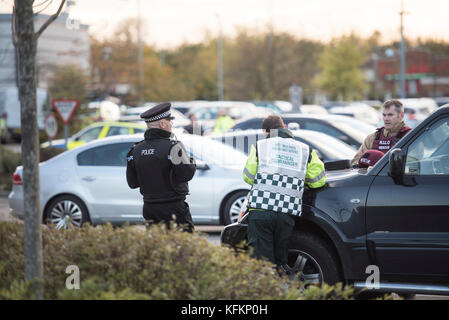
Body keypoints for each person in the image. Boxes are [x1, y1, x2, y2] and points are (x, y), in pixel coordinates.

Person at [242, 115, 326, 272]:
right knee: (281, 261)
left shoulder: (261, 146)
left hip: (261, 210)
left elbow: (248, 176)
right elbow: (318, 181)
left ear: (266, 132)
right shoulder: (305, 150)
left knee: (261, 264)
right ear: (285, 127)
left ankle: (265, 292)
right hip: (286, 213)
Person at [126, 102, 196, 232]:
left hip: (149, 209)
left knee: (157, 246)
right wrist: (192, 162)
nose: (172, 124)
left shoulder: (135, 150)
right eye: (169, 120)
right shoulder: (173, 147)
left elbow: (132, 183)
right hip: (174, 208)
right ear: (162, 124)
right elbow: (186, 174)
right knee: (182, 247)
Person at [351, 99, 412, 167]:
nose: (386, 118)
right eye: (384, 115)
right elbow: (355, 163)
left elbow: (414, 164)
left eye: (390, 115)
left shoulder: (411, 136)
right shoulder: (372, 138)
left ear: (401, 115)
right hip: (372, 177)